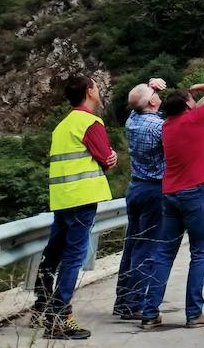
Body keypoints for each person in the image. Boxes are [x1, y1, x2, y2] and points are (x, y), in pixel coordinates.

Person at [139, 70, 204, 331]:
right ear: (187, 108)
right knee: (199, 253)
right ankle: (194, 313)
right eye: (192, 100)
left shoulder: (168, 126)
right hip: (195, 194)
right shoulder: (195, 120)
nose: (196, 102)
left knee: (163, 255)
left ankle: (149, 313)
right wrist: (198, 85)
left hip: (170, 195)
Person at [34, 74, 118, 341]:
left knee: (54, 252)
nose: (98, 89)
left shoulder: (62, 125)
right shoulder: (90, 122)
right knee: (73, 257)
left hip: (62, 197)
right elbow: (106, 158)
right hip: (82, 198)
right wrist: (111, 157)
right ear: (89, 92)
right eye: (95, 85)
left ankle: (41, 306)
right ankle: (59, 318)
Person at [112, 76, 168, 320]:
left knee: (132, 245)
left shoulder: (132, 121)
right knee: (146, 249)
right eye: (153, 94)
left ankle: (122, 299)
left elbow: (139, 104)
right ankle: (133, 304)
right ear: (152, 103)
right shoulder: (158, 128)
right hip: (155, 191)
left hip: (135, 188)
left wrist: (150, 86)